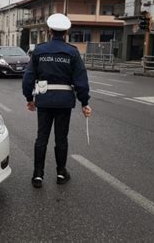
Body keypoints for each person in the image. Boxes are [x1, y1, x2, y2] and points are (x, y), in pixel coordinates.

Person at [22, 13, 92, 189]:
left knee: (41, 138)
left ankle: (38, 175)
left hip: (44, 101)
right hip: (64, 102)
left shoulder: (39, 50)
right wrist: (85, 102)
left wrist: (30, 99)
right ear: (66, 32)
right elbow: (81, 80)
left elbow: (28, 78)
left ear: (49, 31)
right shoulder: (72, 52)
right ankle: (61, 173)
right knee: (61, 139)